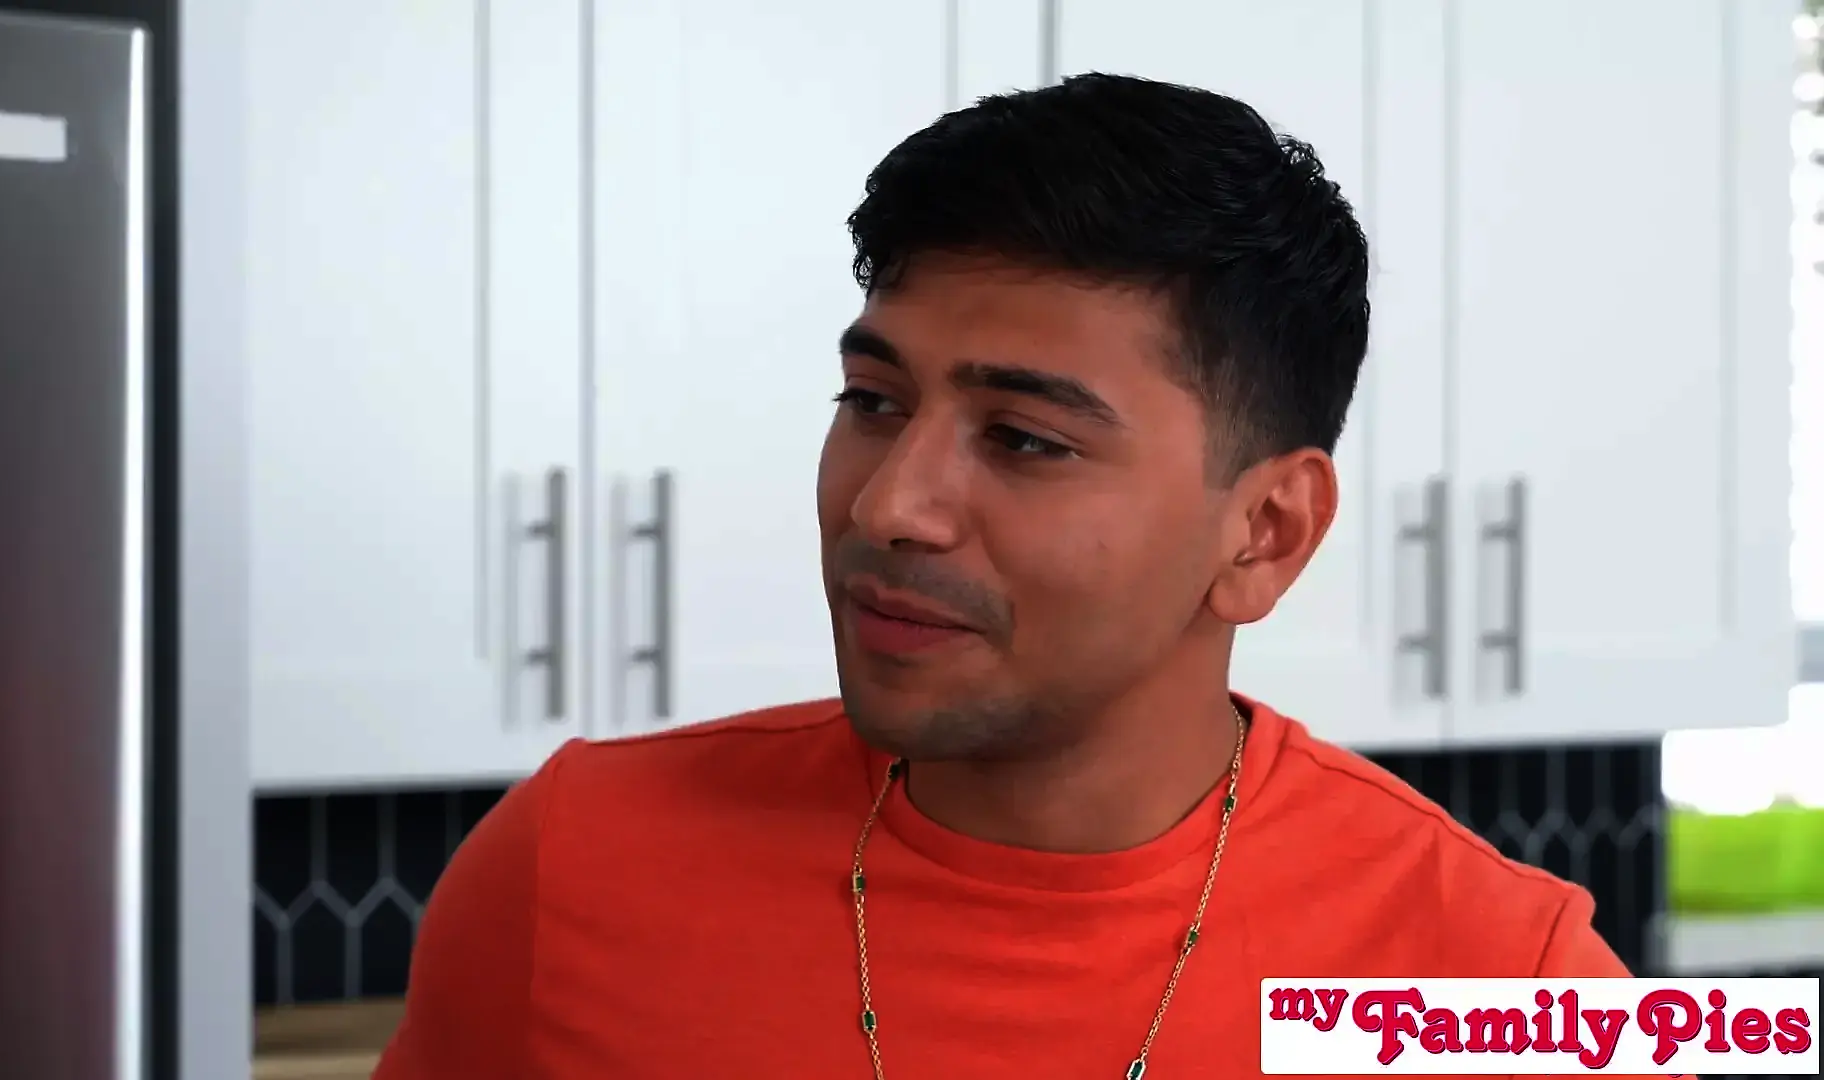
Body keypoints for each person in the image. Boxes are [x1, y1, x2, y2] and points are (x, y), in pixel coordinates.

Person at [373, 74, 1641, 1079]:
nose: (887, 504)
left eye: (1026, 440)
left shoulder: (1502, 991)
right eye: (873, 401)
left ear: (1265, 533)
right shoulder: (571, 866)